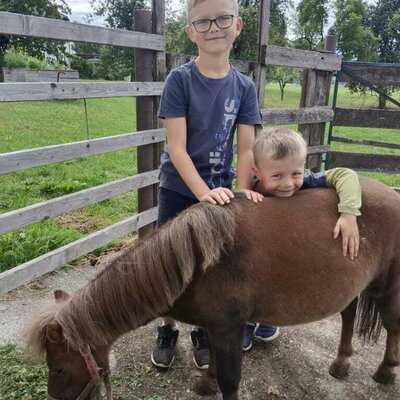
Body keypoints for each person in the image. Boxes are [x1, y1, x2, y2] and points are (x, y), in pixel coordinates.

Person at [151, 0, 266, 370]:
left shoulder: (245, 87)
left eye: (222, 18)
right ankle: (168, 328)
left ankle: (200, 328)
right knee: (168, 265)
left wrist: (244, 190)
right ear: (190, 31)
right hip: (179, 187)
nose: (213, 27)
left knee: (209, 266)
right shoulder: (179, 80)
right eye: (202, 22)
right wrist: (201, 192)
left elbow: (246, 148)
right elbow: (177, 148)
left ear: (238, 25)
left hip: (221, 192)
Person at [242, 127, 361, 351]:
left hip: (288, 250)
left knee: (279, 282)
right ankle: (248, 322)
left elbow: (345, 174)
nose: (288, 184)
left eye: (296, 173)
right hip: (260, 253)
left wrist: (348, 213)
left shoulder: (305, 182)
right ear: (256, 171)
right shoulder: (249, 190)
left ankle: (269, 320)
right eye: (277, 175)